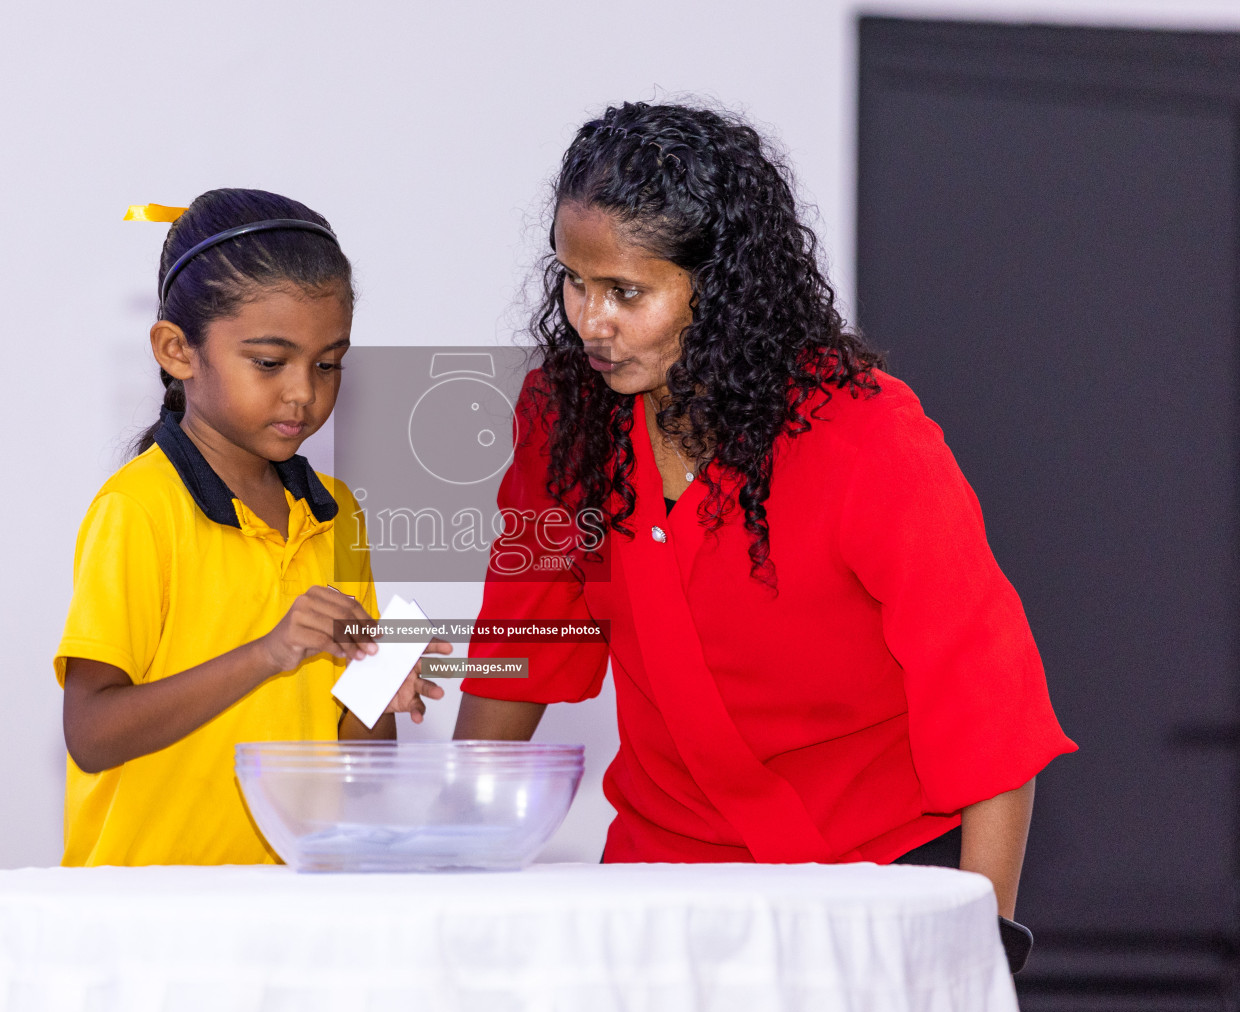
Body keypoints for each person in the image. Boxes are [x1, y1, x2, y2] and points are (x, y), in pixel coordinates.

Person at [454, 103, 1075, 930]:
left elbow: (983, 696)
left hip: (880, 881)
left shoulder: (864, 432)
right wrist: (452, 849)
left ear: (720, 290)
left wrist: (985, 942)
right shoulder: (565, 417)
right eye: (573, 279)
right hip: (662, 882)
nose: (589, 321)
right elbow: (523, 638)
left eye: (625, 292)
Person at [56, 189, 447, 867]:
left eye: (329, 364)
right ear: (178, 351)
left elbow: (358, 760)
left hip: (294, 905)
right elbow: (92, 733)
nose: (304, 391)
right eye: (270, 363)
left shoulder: (337, 513)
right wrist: (266, 653)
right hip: (147, 917)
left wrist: (379, 686)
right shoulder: (139, 509)